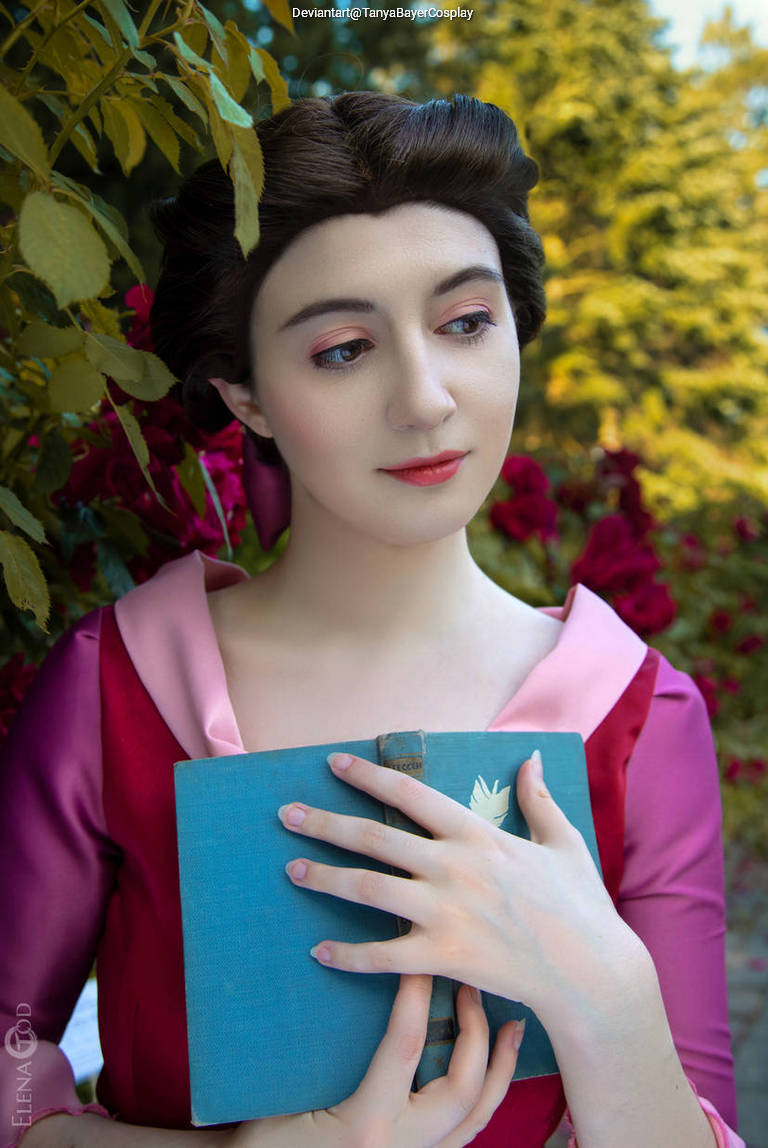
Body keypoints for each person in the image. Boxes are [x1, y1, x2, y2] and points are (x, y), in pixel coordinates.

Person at [0, 91, 741, 1147]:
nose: (427, 396)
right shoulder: (116, 683)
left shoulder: (640, 713)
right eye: (344, 348)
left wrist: (610, 995)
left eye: (465, 322)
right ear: (247, 397)